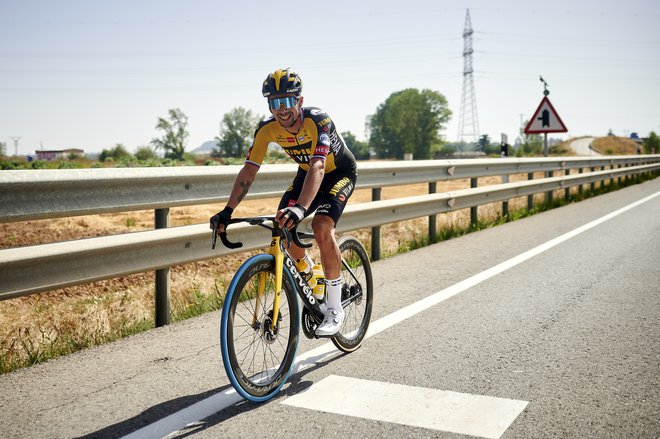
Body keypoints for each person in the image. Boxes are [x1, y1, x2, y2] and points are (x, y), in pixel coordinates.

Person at [210, 69, 357, 336]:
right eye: (274, 103)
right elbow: (249, 171)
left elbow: (319, 165)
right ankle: (314, 279)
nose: (282, 109)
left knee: (322, 227)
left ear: (299, 101)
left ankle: (335, 309)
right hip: (307, 174)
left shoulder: (318, 121)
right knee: (283, 224)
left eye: (287, 101)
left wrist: (302, 207)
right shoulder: (266, 129)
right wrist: (228, 210)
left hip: (336, 173)